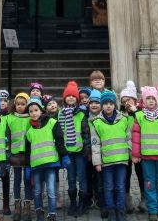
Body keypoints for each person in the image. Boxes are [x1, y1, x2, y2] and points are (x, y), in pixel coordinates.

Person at [131, 86, 158, 221]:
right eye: (148, 98)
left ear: (157, 100)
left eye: (153, 98)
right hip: (147, 158)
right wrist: (136, 154)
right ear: (143, 101)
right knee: (149, 184)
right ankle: (152, 211)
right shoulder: (139, 116)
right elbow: (136, 138)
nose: (151, 101)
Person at [25, 97, 69, 221]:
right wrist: (27, 167)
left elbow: (60, 141)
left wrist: (64, 156)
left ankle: (52, 213)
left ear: (41, 110)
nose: (33, 113)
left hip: (50, 164)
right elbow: (28, 151)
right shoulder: (29, 131)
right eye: (31, 111)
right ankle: (39, 210)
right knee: (37, 191)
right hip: (36, 166)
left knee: (51, 189)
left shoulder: (52, 123)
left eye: (36, 110)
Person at [90, 90, 130, 221]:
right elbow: (95, 144)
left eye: (111, 103)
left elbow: (128, 139)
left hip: (121, 160)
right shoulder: (96, 122)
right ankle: (111, 210)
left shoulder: (123, 120)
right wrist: (97, 162)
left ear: (115, 105)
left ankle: (120, 210)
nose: (108, 106)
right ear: (102, 105)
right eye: (105, 103)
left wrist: (131, 154)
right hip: (106, 162)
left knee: (120, 186)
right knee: (108, 187)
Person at [59, 81, 91, 217]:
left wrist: (86, 149)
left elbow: (86, 133)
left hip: (80, 151)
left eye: (73, 96)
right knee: (71, 178)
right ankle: (73, 202)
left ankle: (82, 203)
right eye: (68, 96)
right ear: (64, 98)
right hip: (68, 152)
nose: (71, 98)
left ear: (77, 99)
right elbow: (59, 134)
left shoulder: (82, 113)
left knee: (82, 177)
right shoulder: (61, 113)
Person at [119, 81, 146, 214]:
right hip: (125, 149)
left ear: (135, 100)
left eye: (129, 100)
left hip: (139, 149)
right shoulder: (120, 114)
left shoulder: (141, 113)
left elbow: (145, 125)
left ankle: (144, 198)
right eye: (124, 101)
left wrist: (136, 112)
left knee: (141, 173)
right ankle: (126, 199)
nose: (127, 103)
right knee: (126, 174)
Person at [8, 92, 32, 221]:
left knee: (27, 180)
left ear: (27, 105)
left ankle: (27, 205)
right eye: (18, 104)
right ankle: (17, 204)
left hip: (28, 154)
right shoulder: (10, 118)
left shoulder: (31, 118)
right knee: (17, 180)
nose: (20, 106)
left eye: (23, 104)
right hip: (15, 154)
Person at [87, 89, 106, 219]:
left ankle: (102, 201)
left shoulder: (104, 118)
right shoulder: (85, 118)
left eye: (97, 102)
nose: (94, 105)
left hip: (102, 155)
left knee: (101, 180)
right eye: (91, 102)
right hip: (88, 154)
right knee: (90, 178)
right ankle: (90, 199)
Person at [0, 89, 12, 215]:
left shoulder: (10, 116)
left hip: (6, 152)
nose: (2, 103)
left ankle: (6, 204)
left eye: (5, 100)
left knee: (5, 178)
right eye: (0, 100)